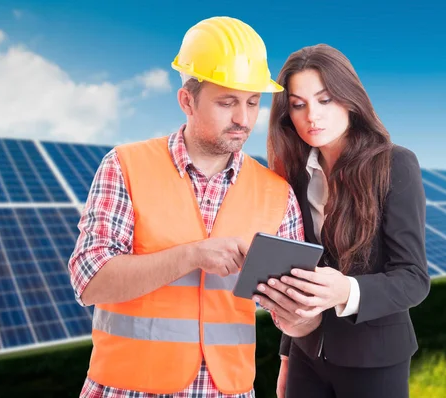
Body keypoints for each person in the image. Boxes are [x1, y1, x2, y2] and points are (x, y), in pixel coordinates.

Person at [67, 16, 304, 398]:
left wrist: (302, 313)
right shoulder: (125, 166)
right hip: (127, 389)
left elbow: (293, 322)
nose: (243, 119)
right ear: (187, 101)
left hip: (229, 391)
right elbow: (88, 281)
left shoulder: (276, 193)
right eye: (227, 102)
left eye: (252, 102)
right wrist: (192, 255)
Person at [254, 44, 430, 398]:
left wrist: (346, 290)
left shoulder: (395, 165)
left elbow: (414, 278)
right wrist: (287, 356)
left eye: (325, 99)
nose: (311, 116)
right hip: (308, 353)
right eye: (298, 105)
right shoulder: (296, 176)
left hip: (375, 358)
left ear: (349, 99)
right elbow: (300, 270)